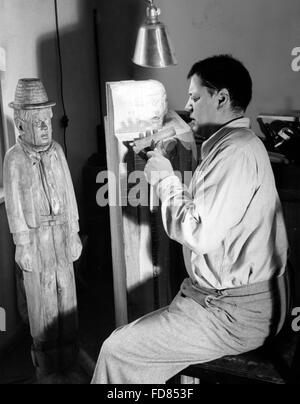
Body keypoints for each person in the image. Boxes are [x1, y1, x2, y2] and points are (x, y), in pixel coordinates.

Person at [92, 55, 289, 384]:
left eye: (195, 97)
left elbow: (198, 233)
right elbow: (188, 135)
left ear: (222, 98)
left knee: (117, 349)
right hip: (230, 302)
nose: (188, 105)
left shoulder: (235, 154)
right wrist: (169, 138)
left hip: (233, 314)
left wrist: (165, 179)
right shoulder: (236, 143)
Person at [3, 79, 82, 379]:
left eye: (47, 119)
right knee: (43, 305)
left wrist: (73, 230)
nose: (46, 126)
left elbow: (70, 194)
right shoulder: (14, 159)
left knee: (67, 296)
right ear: (21, 125)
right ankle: (48, 369)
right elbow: (13, 207)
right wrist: (21, 243)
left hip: (61, 235)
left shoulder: (57, 151)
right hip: (36, 241)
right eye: (37, 121)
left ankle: (71, 360)